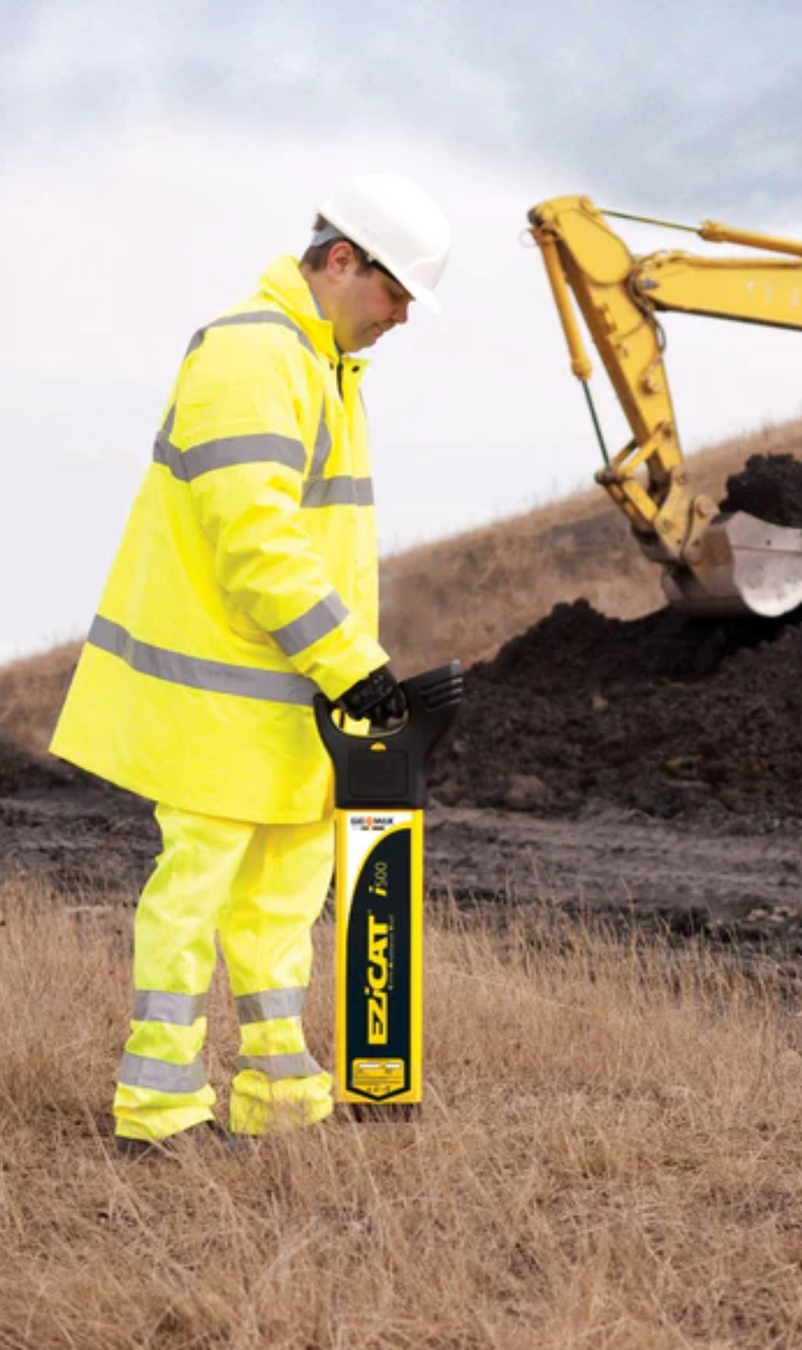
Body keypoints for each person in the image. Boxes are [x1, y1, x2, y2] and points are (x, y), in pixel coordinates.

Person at [49, 173, 451, 1155]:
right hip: (218, 706)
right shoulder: (252, 355)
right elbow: (255, 540)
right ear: (343, 260)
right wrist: (355, 664)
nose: (402, 318)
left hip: (288, 712)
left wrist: (345, 676)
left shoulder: (320, 367)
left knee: (277, 914)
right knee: (192, 903)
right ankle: (160, 1114)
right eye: (396, 294)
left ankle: (282, 1105)